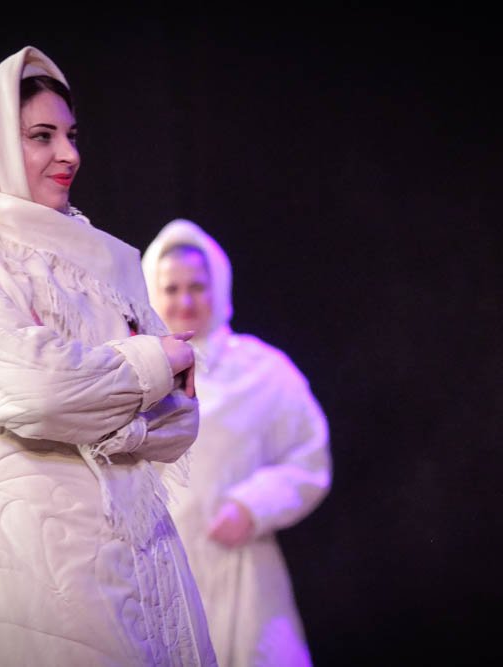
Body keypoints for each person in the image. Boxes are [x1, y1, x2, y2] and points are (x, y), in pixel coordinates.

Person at [0, 46, 216, 666]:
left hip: (144, 548)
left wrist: (108, 409)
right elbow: (39, 390)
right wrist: (143, 374)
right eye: (41, 136)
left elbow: (179, 419)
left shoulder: (99, 257)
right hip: (34, 554)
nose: (68, 154)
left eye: (71, 135)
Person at [142, 219, 333, 667]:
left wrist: (252, 505)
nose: (185, 301)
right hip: (158, 575)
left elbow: (309, 458)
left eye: (197, 287)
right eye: (171, 289)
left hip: (240, 572)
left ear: (219, 287)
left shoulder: (263, 372)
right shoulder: (137, 376)